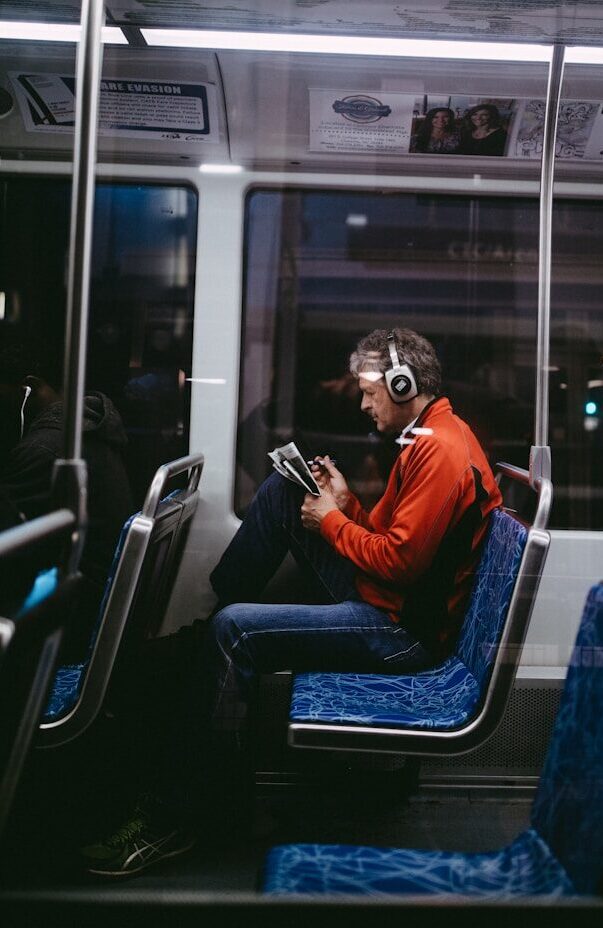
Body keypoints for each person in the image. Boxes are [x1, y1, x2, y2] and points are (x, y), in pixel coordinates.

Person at [79, 328, 502, 878]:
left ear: (404, 384)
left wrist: (330, 522)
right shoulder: (427, 438)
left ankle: (174, 818)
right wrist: (347, 504)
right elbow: (395, 541)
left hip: (402, 633)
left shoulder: (439, 451)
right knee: (284, 490)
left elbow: (399, 563)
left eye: (371, 391)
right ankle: (206, 639)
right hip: (392, 602)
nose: (364, 403)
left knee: (235, 631)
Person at [0, 340, 133, 634]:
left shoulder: (44, 450)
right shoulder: (88, 431)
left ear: (28, 388)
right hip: (91, 595)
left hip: (68, 615)